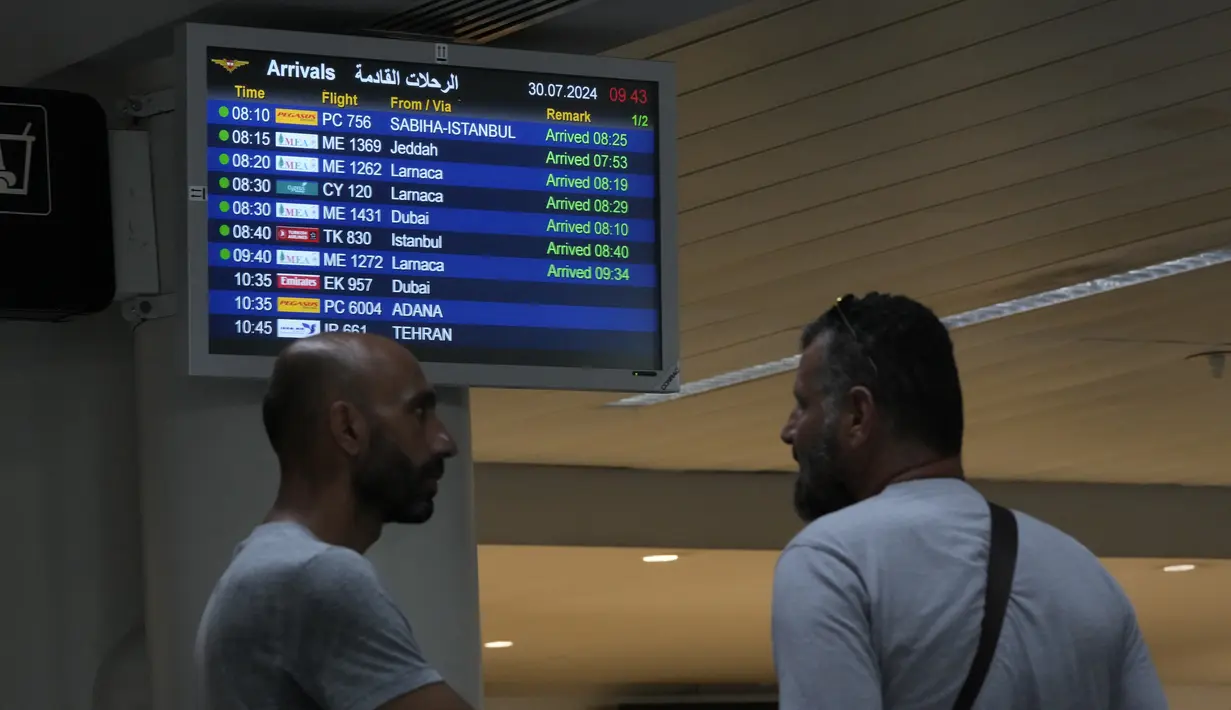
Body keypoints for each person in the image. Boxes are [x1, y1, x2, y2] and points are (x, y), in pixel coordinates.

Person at [773, 293, 1167, 710]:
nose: (788, 430)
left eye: (803, 404)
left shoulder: (832, 561)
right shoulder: (1083, 573)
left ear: (857, 414)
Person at [195, 333, 472, 710]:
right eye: (419, 412)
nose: (445, 441)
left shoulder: (259, 569)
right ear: (347, 428)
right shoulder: (314, 575)